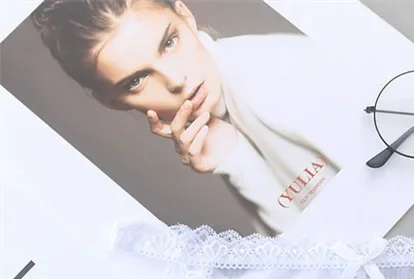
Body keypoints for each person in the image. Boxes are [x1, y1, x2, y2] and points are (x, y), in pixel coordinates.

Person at [31, 0, 342, 235]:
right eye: (137, 80)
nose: (176, 80)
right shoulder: (220, 119)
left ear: (185, 14)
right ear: (111, 102)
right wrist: (235, 159)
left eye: (169, 42)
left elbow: (334, 252)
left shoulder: (268, 79)